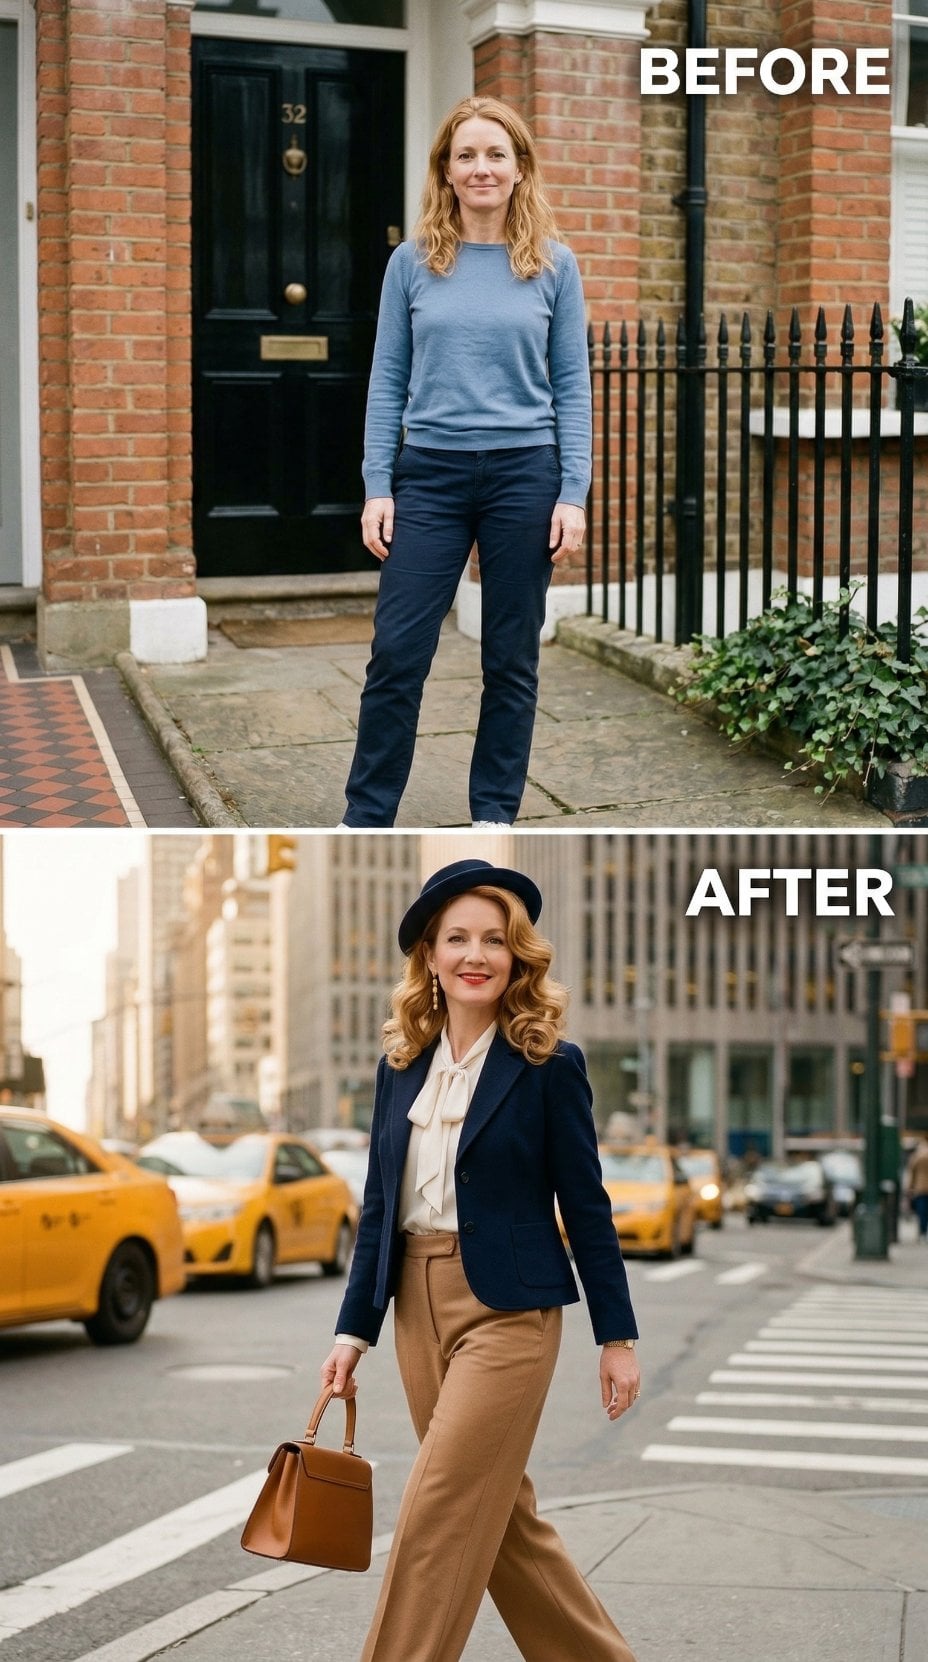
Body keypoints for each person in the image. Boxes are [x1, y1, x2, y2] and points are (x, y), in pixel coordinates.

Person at [320, 858, 640, 1662]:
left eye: (495, 939)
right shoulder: (400, 1068)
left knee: (438, 1509)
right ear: (429, 956)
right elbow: (378, 1210)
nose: (476, 954)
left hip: (510, 1312)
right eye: (457, 938)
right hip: (416, 1308)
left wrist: (618, 1335)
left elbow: (587, 1204)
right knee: (503, 1521)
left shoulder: (547, 1063)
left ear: (517, 955)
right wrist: (350, 1334)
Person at [339, 97, 591, 829]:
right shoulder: (411, 263)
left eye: (495, 155)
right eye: (466, 156)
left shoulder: (554, 265)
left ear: (519, 169)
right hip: (431, 476)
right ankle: (365, 817)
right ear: (446, 172)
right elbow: (388, 378)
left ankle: (493, 816)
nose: (480, 168)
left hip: (525, 473)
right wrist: (377, 485)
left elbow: (572, 385)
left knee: (511, 658)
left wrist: (571, 492)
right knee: (397, 653)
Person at [906, 1136, 928, 1240]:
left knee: (922, 1212)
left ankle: (923, 1232)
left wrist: (910, 1188)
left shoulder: (918, 1155)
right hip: (922, 1187)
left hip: (921, 1188)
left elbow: (912, 1172)